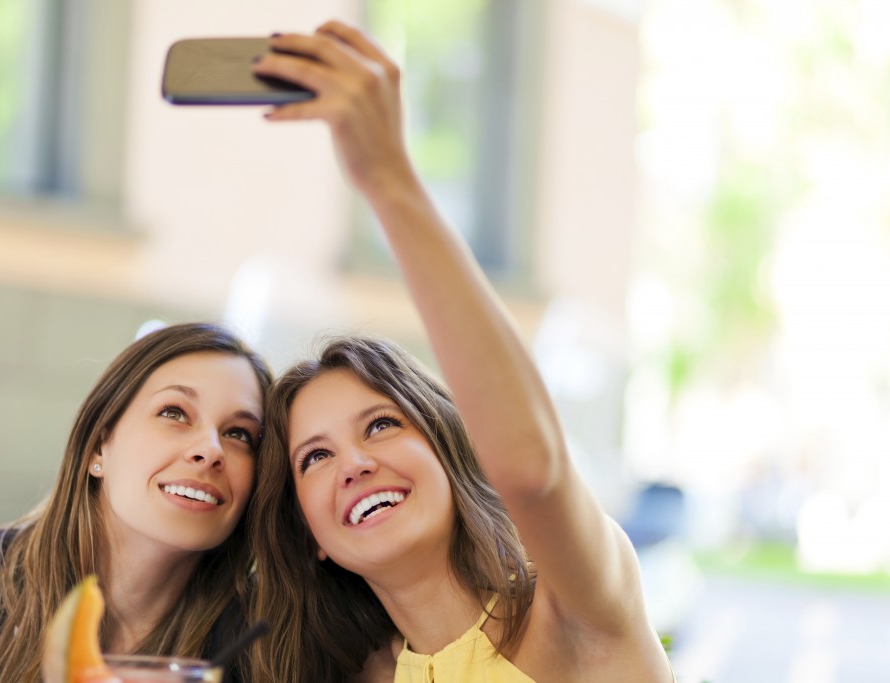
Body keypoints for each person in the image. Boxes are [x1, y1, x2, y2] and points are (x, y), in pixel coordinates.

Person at [248, 21, 675, 682]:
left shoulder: (576, 611)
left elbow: (533, 469)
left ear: (449, 447)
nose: (355, 463)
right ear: (311, 537)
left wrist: (389, 179)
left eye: (383, 424)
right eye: (317, 457)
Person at [0, 322, 271, 683]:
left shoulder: (259, 641)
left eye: (239, 434)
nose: (211, 450)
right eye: (174, 413)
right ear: (99, 444)